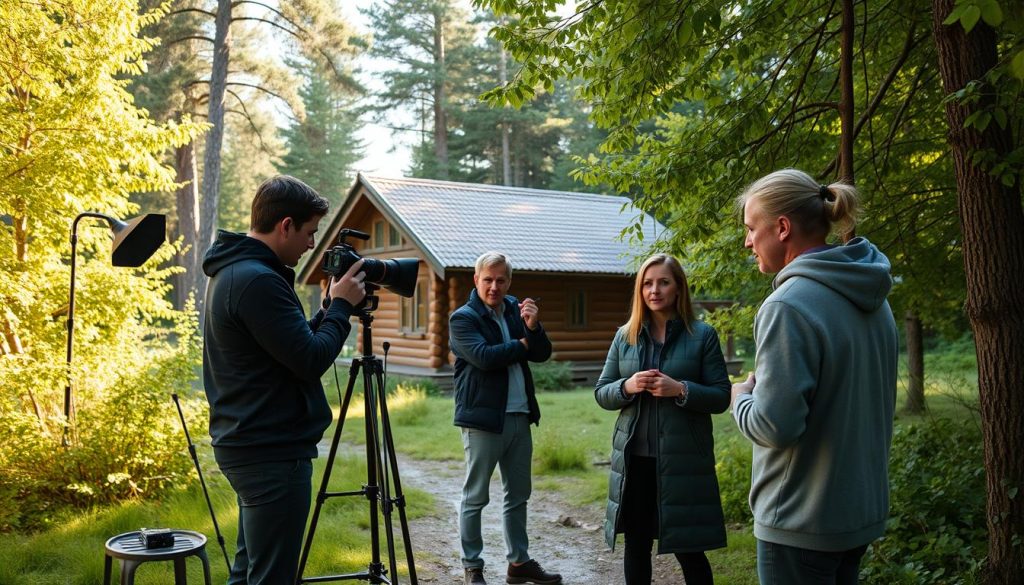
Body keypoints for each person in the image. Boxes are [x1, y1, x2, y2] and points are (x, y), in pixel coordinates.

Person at [731, 169, 898, 584]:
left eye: (753, 228)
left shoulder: (786, 305)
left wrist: (740, 397)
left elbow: (775, 426)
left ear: (782, 228)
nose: (748, 241)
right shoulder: (874, 297)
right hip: (857, 513)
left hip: (800, 521)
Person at [202, 175, 367, 585]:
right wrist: (342, 309)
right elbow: (310, 360)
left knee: (250, 571)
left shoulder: (236, 271)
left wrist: (327, 309)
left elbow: (288, 348)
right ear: (286, 225)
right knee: (272, 577)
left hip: (251, 443)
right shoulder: (258, 279)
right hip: (270, 452)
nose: (312, 244)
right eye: (310, 232)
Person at [595, 253, 731, 585]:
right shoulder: (624, 335)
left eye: (663, 282)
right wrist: (626, 386)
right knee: (636, 546)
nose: (654, 290)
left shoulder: (702, 335)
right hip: (635, 461)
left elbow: (721, 396)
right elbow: (602, 392)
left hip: (682, 461)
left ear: (678, 287)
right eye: (647, 283)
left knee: (689, 548)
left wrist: (680, 389)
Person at [449, 252, 562, 585]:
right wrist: (523, 343)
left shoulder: (515, 308)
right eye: (488, 279)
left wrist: (533, 327)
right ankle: (472, 566)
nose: (494, 286)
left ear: (509, 281)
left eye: (501, 280)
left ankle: (518, 562)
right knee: (475, 496)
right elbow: (484, 357)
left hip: (519, 415)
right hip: (483, 421)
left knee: (518, 494)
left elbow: (541, 354)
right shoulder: (463, 318)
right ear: (476, 280)